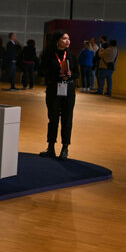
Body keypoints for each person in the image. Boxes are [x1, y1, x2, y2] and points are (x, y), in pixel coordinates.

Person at [38, 30, 79, 160]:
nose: (68, 41)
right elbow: (42, 72)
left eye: (69, 39)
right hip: (54, 89)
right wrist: (56, 75)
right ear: (57, 41)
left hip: (69, 90)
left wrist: (71, 74)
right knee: (53, 119)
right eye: (65, 38)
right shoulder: (49, 56)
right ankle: (51, 147)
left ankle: (65, 148)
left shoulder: (71, 56)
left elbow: (77, 73)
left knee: (67, 119)